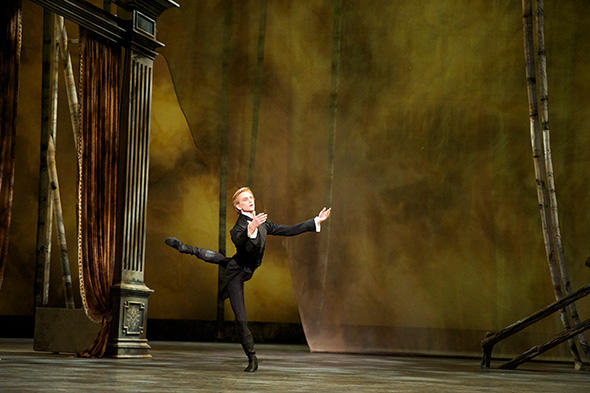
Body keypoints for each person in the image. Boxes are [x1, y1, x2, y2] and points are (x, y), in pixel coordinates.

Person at [165, 186, 331, 372]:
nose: (250, 200)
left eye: (251, 197)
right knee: (240, 317)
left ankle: (187, 248)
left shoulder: (264, 224)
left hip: (247, 268)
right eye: (245, 199)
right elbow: (242, 244)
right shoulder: (238, 229)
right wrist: (250, 229)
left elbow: (289, 230)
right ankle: (252, 358)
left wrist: (316, 220)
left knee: (222, 259)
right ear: (238, 206)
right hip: (236, 273)